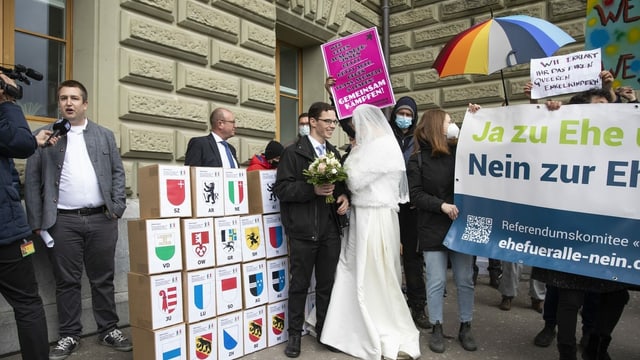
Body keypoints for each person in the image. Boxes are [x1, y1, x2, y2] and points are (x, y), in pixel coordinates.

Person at [24, 80, 131, 360]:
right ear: (58, 103)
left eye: (74, 98)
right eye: (63, 98)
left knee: (103, 278)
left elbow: (118, 173)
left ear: (85, 103)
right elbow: (32, 181)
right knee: (66, 281)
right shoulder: (45, 136)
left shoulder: (104, 135)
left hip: (101, 219)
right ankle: (69, 335)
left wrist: (117, 207)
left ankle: (109, 329)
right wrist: (37, 221)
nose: (68, 103)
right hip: (62, 222)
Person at [530, 88, 630, 360]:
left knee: (615, 297)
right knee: (569, 298)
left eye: (608, 104)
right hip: (569, 233)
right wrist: (549, 112)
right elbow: (532, 141)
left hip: (607, 235)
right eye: (599, 103)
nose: (605, 108)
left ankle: (596, 345)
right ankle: (567, 352)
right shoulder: (565, 128)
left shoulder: (622, 134)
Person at [321, 104, 421, 360]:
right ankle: (341, 324)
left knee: (373, 269)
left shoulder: (383, 146)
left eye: (354, 122)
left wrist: (346, 165)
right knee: (353, 266)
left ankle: (372, 321)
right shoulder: (368, 145)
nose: (352, 127)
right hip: (362, 214)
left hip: (376, 216)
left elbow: (355, 180)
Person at [273, 101, 349, 358]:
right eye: (327, 121)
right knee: (300, 284)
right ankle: (293, 335)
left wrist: (344, 198)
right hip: (303, 230)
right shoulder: (293, 153)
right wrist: (311, 190)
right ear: (313, 122)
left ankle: (325, 331)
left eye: (334, 122)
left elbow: (340, 186)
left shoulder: (335, 154)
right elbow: (282, 190)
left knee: (327, 284)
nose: (331, 126)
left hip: (329, 231)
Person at [407, 108, 477, 354]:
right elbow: (415, 195)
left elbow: (485, 145)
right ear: (436, 126)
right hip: (432, 226)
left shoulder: (460, 152)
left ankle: (465, 325)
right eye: (448, 121)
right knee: (436, 281)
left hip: (460, 225)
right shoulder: (417, 159)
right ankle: (436, 326)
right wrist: (441, 206)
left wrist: (475, 118)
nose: (452, 125)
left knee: (465, 280)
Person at [0, 73, 53, 360]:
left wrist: (33, 142)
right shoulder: (4, 107)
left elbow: (15, 142)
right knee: (28, 303)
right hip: (5, 234)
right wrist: (7, 99)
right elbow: (17, 143)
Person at [388, 96, 430, 329]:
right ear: (394, 114)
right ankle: (390, 305)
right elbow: (352, 124)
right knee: (387, 255)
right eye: (400, 113)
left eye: (408, 114)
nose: (404, 117)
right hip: (389, 203)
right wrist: (335, 97)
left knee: (413, 260)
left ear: (414, 117)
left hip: (412, 206)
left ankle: (418, 307)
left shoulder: (419, 139)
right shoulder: (385, 134)